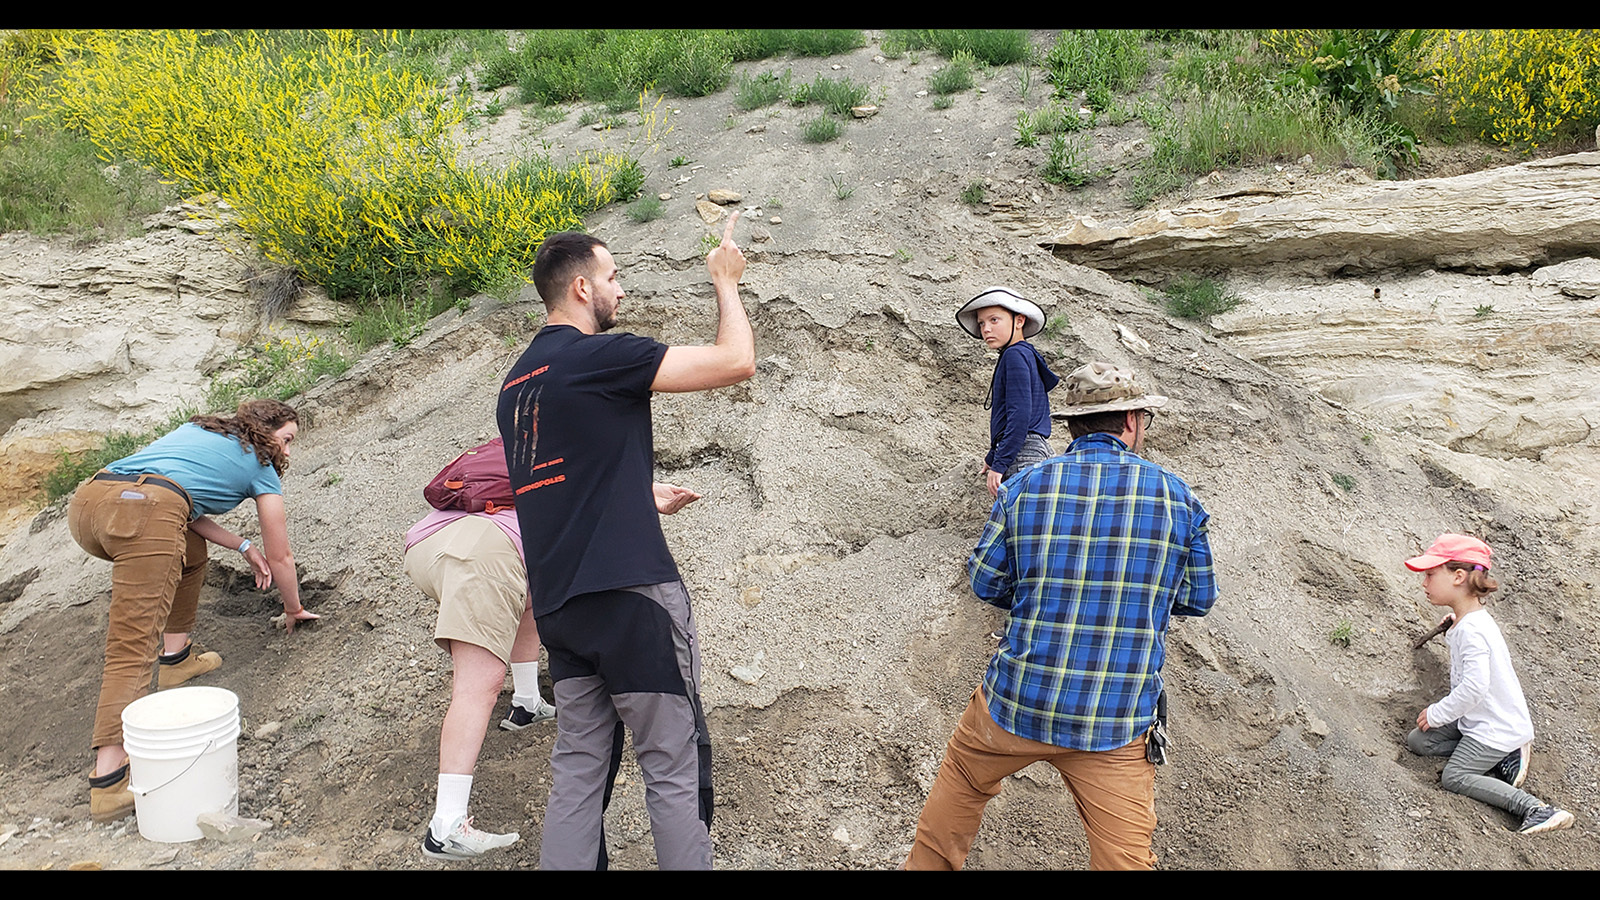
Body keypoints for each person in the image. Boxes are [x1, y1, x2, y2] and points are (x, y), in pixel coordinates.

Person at [496, 214, 754, 870]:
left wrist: (641, 496)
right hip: (633, 597)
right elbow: (735, 362)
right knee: (671, 761)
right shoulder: (599, 356)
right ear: (582, 289)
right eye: (614, 277)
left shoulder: (517, 385)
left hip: (560, 607)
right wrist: (725, 282)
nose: (622, 289)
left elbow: (559, 485)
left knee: (580, 767)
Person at [904, 361, 1217, 870]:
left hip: (1016, 702)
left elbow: (986, 581)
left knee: (958, 793)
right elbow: (1198, 598)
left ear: (1072, 424)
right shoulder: (1179, 498)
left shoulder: (1026, 485)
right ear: (1133, 421)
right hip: (1115, 718)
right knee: (1125, 859)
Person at [404, 476, 702, 862]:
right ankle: (446, 823)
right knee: (480, 682)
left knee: (526, 600)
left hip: (433, 540)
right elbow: (588, 480)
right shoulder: (566, 462)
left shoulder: (528, 448)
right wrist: (643, 488)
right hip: (486, 549)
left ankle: (527, 703)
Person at [67, 399, 318, 823]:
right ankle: (108, 782)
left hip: (91, 502)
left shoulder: (200, 431)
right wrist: (293, 607)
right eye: (288, 440)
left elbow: (177, 501)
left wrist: (241, 545)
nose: (288, 452)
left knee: (188, 547)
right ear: (267, 431)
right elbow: (282, 557)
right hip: (143, 512)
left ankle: (177, 659)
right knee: (132, 644)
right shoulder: (261, 467)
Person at [1403, 534, 1575, 835]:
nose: (1424, 583)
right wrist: (1454, 623)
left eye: (1430, 574)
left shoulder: (1473, 631)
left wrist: (1437, 713)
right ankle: (1500, 761)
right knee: (1419, 741)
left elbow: (1474, 688)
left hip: (1496, 727)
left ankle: (1535, 808)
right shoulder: (1467, 622)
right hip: (1476, 718)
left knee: (1454, 777)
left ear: (1458, 576)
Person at [954, 287, 1060, 498]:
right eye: (982, 323)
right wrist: (993, 456)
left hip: (1022, 454)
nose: (985, 329)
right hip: (1034, 450)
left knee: (1017, 526)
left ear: (1019, 321)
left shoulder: (1014, 356)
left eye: (994, 320)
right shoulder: (1026, 354)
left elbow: (1019, 416)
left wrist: (1000, 464)